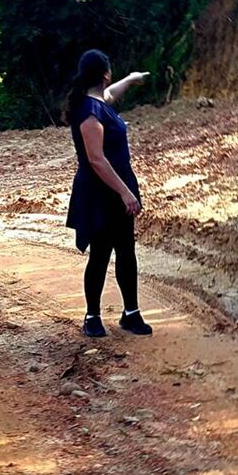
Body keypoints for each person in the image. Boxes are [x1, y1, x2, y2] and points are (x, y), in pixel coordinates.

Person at [65, 49, 154, 338]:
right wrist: (126, 193)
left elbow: (111, 94)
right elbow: (96, 160)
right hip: (100, 192)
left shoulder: (96, 102)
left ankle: (131, 313)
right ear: (105, 73)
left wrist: (130, 79)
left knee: (126, 250)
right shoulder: (89, 112)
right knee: (101, 253)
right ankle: (92, 316)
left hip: (114, 187)